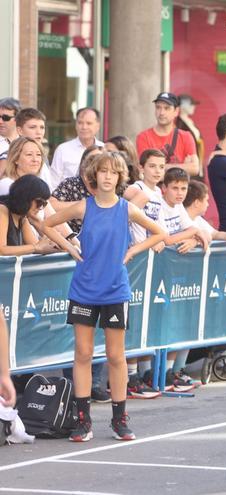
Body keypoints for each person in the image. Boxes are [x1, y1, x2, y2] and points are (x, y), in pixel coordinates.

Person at [42, 152, 166, 442]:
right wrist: (71, 247)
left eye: (113, 172)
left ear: (120, 177)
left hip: (114, 289)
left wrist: (134, 251)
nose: (108, 176)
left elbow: (159, 233)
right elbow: (47, 223)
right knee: (83, 354)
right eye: (103, 172)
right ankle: (83, 420)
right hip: (84, 289)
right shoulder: (83, 207)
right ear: (93, 176)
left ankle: (119, 418)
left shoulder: (127, 209)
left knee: (115, 356)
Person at [135, 93, 200, 177]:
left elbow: (194, 168)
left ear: (176, 111)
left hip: (178, 189)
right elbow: (145, 172)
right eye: (158, 107)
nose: (161, 113)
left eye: (167, 108)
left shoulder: (186, 136)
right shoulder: (143, 137)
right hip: (153, 189)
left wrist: (159, 168)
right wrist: (183, 167)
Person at [0, 175, 59, 256]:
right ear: (25, 197)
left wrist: (38, 223)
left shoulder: (22, 217)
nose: (40, 207)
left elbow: (38, 246)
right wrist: (36, 247)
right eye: (39, 202)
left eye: (44, 204)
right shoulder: (2, 210)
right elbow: (1, 250)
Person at [49, 107, 103, 190]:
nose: (84, 127)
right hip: (67, 200)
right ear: (76, 125)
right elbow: (53, 183)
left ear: (98, 126)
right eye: (80, 123)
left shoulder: (104, 150)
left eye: (89, 123)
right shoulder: (63, 150)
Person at [184, 180, 226, 253]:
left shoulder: (197, 218)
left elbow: (215, 234)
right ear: (197, 203)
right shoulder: (180, 218)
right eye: (206, 200)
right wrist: (197, 240)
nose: (208, 204)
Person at [175, 94, 205, 162]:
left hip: (197, 156)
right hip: (188, 159)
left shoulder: (190, 122)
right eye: (191, 104)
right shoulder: (179, 125)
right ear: (183, 106)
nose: (193, 107)